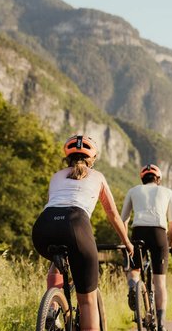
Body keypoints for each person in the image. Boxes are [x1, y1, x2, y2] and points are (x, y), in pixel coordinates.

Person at [32, 135, 134, 331]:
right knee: (87, 301)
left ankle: (52, 311)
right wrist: (127, 242)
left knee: (57, 261)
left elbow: (55, 204)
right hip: (76, 225)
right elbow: (113, 215)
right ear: (92, 159)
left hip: (43, 228)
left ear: (67, 157)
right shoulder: (98, 177)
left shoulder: (56, 176)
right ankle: (58, 310)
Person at [121, 164, 172, 331]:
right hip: (159, 233)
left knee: (135, 269)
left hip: (138, 231)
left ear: (142, 179)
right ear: (158, 179)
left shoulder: (133, 191)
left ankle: (133, 285)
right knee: (159, 281)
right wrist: (171, 243)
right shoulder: (167, 192)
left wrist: (126, 242)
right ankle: (160, 324)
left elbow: (123, 220)